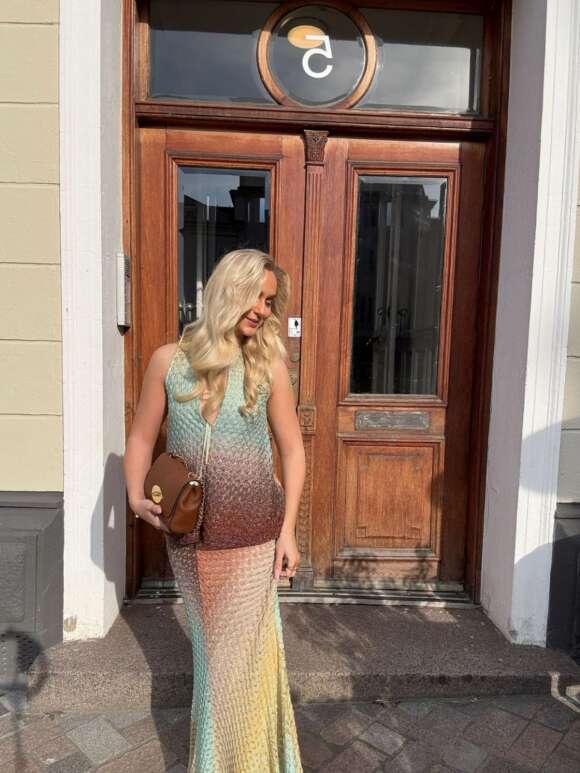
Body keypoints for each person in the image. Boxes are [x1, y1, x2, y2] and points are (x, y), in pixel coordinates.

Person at [123, 248, 305, 772]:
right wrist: (135, 496)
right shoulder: (168, 360)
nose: (263, 310)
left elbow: (293, 450)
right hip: (192, 540)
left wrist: (288, 531)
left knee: (247, 661)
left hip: (255, 538)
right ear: (229, 289)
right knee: (218, 661)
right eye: (257, 297)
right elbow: (141, 438)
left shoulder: (268, 365)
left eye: (270, 301)